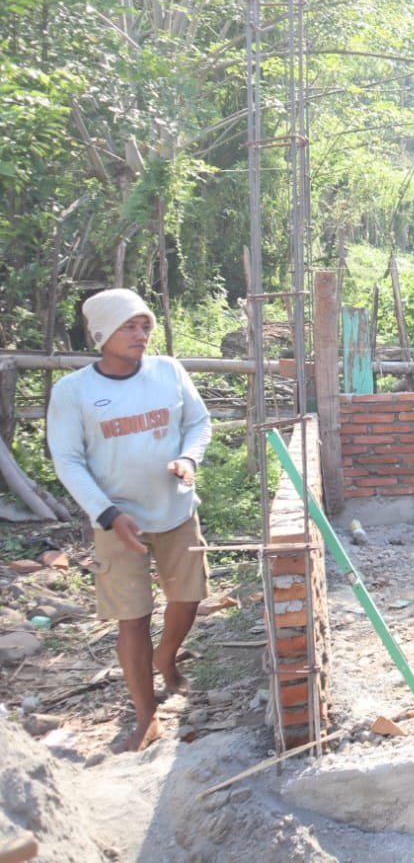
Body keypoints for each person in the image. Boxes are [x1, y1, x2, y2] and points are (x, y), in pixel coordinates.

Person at [47, 289, 212, 753]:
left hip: (176, 510)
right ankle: (146, 716)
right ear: (102, 333)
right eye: (129, 327)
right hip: (117, 521)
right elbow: (68, 460)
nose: (141, 335)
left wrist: (188, 458)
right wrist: (107, 513)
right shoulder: (74, 391)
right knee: (132, 618)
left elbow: (199, 423)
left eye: (145, 326)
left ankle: (167, 657)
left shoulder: (168, 371)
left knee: (188, 597)